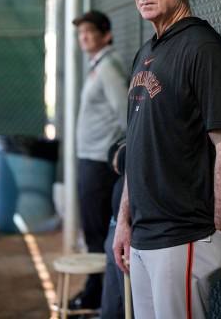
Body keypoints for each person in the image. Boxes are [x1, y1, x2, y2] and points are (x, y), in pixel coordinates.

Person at [113, 0, 221, 319]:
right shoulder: (147, 51)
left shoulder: (203, 48)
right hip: (143, 233)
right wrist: (125, 221)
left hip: (182, 235)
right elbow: (137, 146)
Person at [71, 11, 128, 311]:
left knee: (96, 234)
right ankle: (95, 295)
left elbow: (126, 115)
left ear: (106, 35)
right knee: (94, 233)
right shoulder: (98, 65)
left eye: (90, 31)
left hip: (99, 164)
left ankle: (95, 299)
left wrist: (115, 153)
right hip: (91, 161)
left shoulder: (108, 67)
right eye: (80, 32)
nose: (84, 37)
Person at [101, 137, 127, 319]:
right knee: (112, 308)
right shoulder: (139, 111)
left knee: (131, 308)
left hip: (136, 233)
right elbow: (115, 157)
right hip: (117, 229)